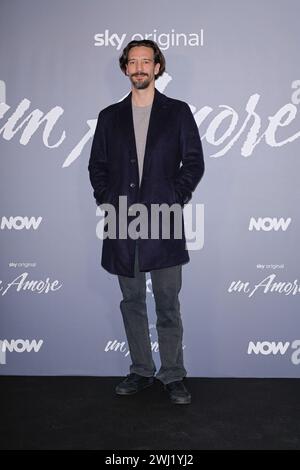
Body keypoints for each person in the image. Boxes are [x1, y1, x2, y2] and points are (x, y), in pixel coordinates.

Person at [88, 39, 204, 404]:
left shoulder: (179, 112)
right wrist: (108, 200)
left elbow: (194, 162)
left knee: (168, 303)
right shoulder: (109, 117)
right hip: (123, 223)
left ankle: (173, 375)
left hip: (164, 221)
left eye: (146, 61)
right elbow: (97, 167)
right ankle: (141, 370)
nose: (139, 67)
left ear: (157, 67)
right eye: (132, 61)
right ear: (125, 68)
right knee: (132, 301)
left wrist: (176, 195)